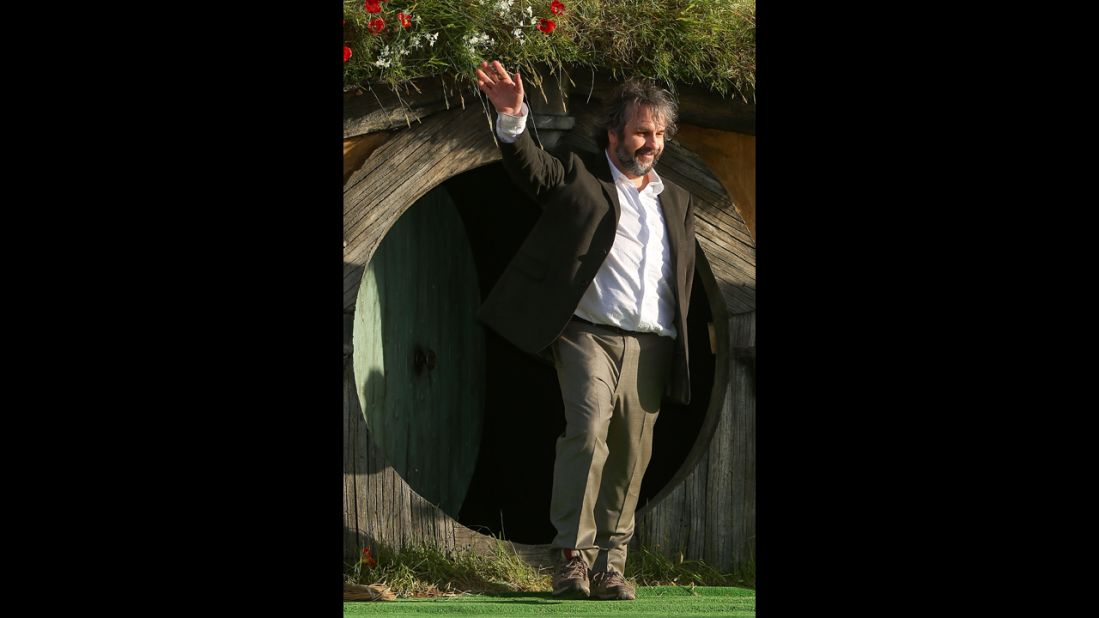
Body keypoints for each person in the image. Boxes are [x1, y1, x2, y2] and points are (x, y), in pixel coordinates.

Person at [474, 60, 697, 601]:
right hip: (586, 334)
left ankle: (610, 567)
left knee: (631, 455)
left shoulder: (678, 200)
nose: (651, 143)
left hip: (652, 342)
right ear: (615, 132)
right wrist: (513, 117)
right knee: (589, 429)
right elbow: (532, 169)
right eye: (642, 131)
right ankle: (571, 559)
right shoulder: (580, 174)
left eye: (659, 133)